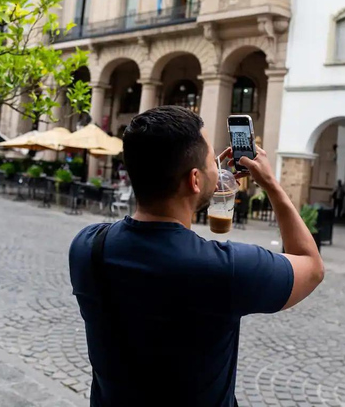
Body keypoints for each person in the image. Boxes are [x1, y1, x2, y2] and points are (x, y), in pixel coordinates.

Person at [69, 106, 324, 407]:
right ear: (195, 180)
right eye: (211, 161)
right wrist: (270, 183)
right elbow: (311, 265)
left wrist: (203, 169)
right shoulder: (224, 269)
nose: (217, 167)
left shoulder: (87, 246)